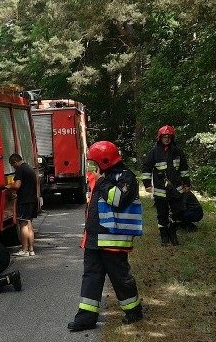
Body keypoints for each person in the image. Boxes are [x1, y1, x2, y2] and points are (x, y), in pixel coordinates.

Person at [68, 141, 144, 330]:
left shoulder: (126, 177)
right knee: (91, 277)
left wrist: (102, 181)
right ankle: (86, 317)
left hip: (113, 240)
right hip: (94, 239)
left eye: (96, 163)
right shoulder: (105, 176)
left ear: (105, 160)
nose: (94, 167)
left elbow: (117, 200)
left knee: (120, 277)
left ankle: (133, 310)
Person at [140, 125, 191, 246]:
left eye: (169, 137)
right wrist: (147, 184)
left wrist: (186, 183)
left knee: (177, 212)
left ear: (172, 138)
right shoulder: (154, 152)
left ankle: (173, 233)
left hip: (176, 189)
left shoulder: (178, 151)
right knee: (162, 214)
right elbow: (146, 169)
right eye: (164, 137)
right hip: (160, 189)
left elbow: (184, 169)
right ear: (160, 138)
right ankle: (164, 235)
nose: (166, 139)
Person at [6, 153, 38, 256]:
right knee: (29, 225)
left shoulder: (20, 170)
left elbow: (17, 185)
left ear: (15, 162)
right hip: (32, 200)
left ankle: (24, 249)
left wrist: (7, 186)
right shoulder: (29, 168)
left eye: (12, 164)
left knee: (23, 225)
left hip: (24, 201)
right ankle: (31, 250)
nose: (13, 167)